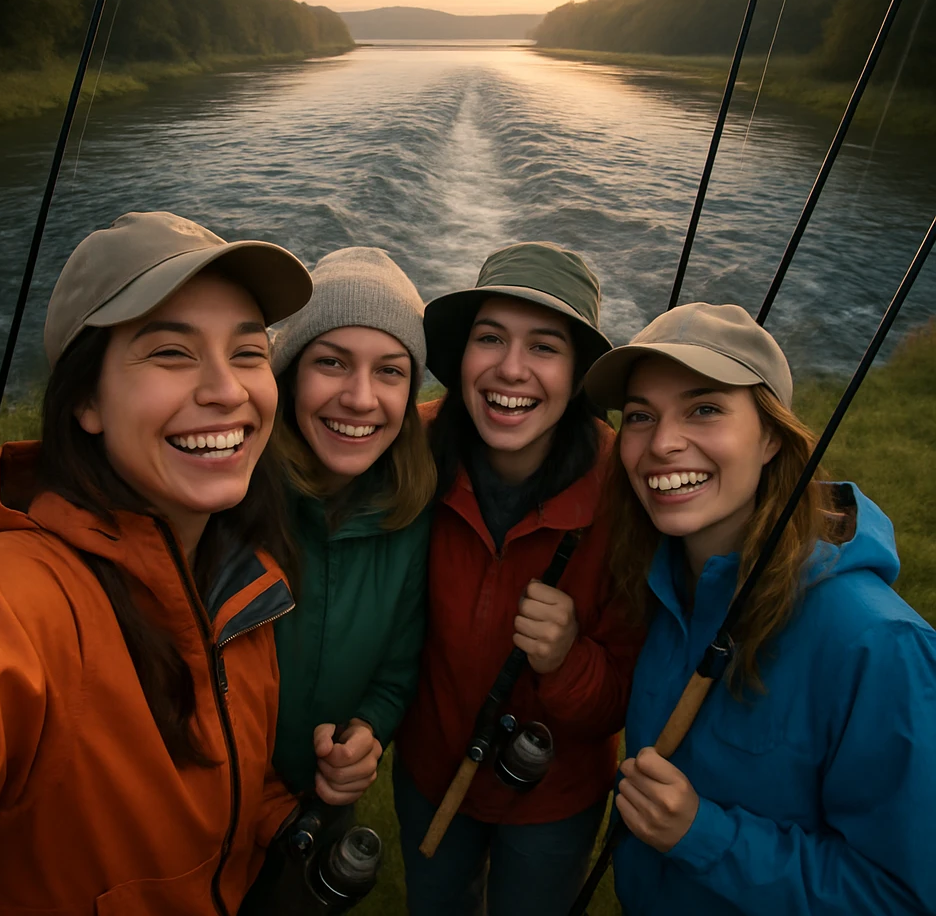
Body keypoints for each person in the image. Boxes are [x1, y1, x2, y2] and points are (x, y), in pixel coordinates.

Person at [0, 211, 314, 914]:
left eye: (249, 352)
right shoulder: (16, 604)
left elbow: (212, 762)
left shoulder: (237, 576)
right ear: (86, 400)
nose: (228, 390)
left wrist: (275, 816)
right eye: (171, 352)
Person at [583, 301, 936, 916]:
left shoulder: (879, 645)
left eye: (704, 409)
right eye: (641, 415)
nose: (662, 443)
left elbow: (904, 896)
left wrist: (704, 836)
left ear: (771, 436)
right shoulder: (661, 585)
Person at [394, 242, 643, 916]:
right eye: (490, 338)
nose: (510, 368)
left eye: (544, 347)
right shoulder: (404, 451)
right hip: (428, 773)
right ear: (461, 355)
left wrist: (566, 660)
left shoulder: (630, 494)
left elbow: (626, 697)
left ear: (579, 374)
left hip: (555, 801)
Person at [241, 247, 436, 908]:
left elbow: (397, 670)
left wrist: (367, 733)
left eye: (390, 371)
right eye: (331, 362)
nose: (360, 398)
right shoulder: (230, 498)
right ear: (289, 374)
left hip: (320, 811)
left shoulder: (410, 514)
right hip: (208, 807)